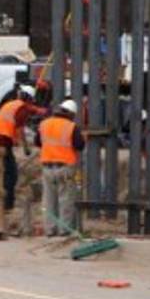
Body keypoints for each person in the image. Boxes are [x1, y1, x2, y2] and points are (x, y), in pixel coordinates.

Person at [0, 85, 47, 213]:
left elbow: (28, 109)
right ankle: (7, 202)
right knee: (11, 173)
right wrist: (25, 148)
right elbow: (20, 129)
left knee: (6, 170)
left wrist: (39, 111)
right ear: (30, 99)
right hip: (2, 139)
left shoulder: (12, 104)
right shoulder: (22, 109)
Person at [36, 99, 85, 236]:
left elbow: (38, 141)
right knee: (66, 200)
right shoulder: (71, 126)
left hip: (47, 167)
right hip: (65, 167)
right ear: (71, 114)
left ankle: (50, 230)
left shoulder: (44, 124)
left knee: (49, 200)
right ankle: (64, 230)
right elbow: (80, 145)